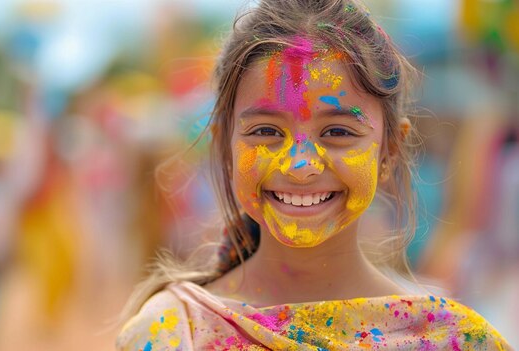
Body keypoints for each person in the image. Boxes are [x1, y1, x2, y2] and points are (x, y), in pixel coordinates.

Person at [116, 0, 513, 349]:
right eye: (266, 132)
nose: (300, 166)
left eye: (338, 132)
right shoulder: (171, 333)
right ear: (225, 148)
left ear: (389, 151)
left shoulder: (453, 340)